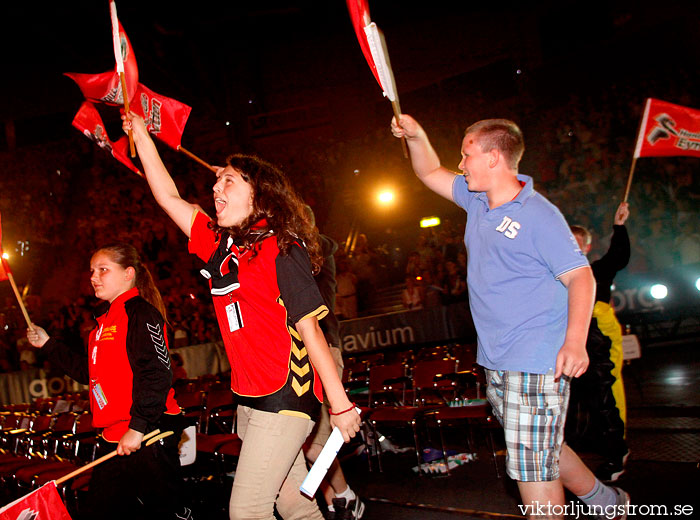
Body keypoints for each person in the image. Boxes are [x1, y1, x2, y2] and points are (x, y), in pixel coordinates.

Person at [123, 113, 361, 520]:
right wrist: (142, 135)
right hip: (249, 400)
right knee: (294, 505)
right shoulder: (221, 246)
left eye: (229, 181)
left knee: (246, 511)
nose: (216, 188)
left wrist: (340, 407)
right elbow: (168, 197)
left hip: (285, 396)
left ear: (259, 194)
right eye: (217, 182)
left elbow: (311, 331)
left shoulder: (282, 248)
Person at [391, 114, 629, 520]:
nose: (461, 164)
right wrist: (417, 135)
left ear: (494, 158)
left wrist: (574, 341)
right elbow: (428, 170)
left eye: (467, 155)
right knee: (544, 448)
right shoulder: (477, 199)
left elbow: (582, 278)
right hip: (497, 362)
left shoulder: (539, 215)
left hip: (535, 363)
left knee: (532, 472)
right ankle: (608, 503)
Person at [26, 243, 190, 520]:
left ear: (128, 274)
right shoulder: (100, 326)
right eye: (92, 271)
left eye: (103, 270)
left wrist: (137, 428)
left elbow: (157, 373)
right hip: (113, 437)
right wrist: (48, 344)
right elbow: (88, 374)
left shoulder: (140, 314)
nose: (94, 277)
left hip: (148, 434)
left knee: (167, 512)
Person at [302, 205, 365, 520]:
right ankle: (333, 500)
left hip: (324, 346)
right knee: (305, 441)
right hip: (299, 352)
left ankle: (345, 496)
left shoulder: (317, 246)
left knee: (315, 442)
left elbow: (322, 243)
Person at [569, 203, 630, 481]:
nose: (571, 247)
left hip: (596, 336)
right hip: (570, 339)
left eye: (577, 243)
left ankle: (617, 453)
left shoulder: (596, 270)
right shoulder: (557, 277)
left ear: (586, 248)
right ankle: (570, 456)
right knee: (571, 398)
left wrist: (619, 227)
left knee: (603, 395)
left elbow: (618, 256)